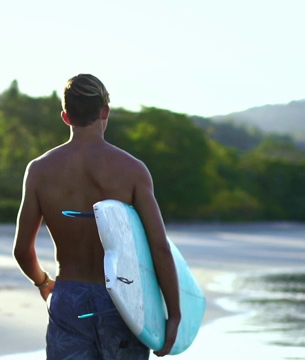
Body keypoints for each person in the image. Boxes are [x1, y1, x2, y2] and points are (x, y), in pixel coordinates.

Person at [13, 74, 181, 359]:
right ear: (105, 111)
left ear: (66, 116)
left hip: (68, 299)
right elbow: (159, 248)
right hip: (123, 302)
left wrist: (43, 283)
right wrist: (174, 314)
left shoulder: (40, 170)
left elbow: (21, 251)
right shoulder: (132, 170)